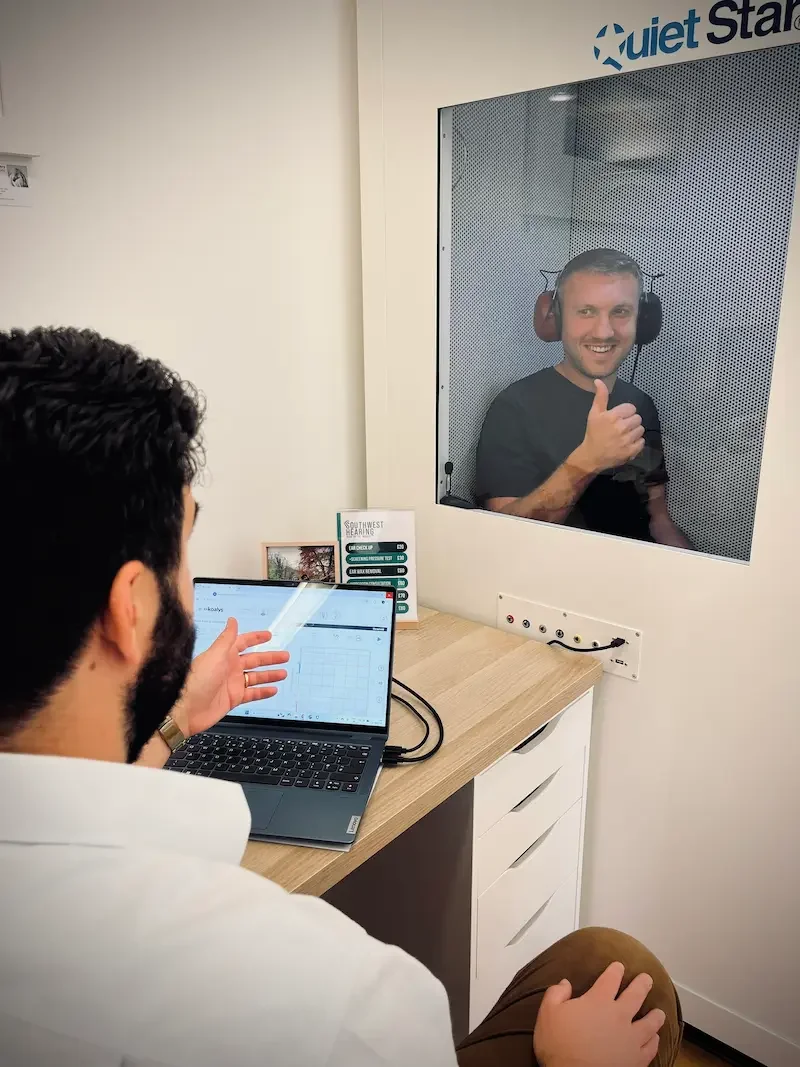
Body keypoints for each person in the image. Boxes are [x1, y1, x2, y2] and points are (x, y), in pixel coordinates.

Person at [0, 327, 682, 1067]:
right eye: (185, 550)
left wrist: (165, 726)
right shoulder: (336, 999)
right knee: (625, 973)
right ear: (130, 607)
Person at [475, 249, 691, 548]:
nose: (604, 332)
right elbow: (505, 538)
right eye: (586, 311)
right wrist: (589, 460)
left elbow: (659, 519)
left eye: (620, 312)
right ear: (558, 318)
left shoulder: (640, 404)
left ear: (642, 322)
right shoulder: (515, 407)